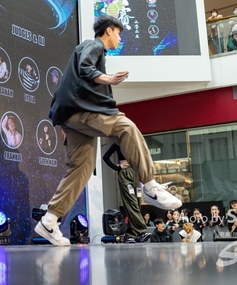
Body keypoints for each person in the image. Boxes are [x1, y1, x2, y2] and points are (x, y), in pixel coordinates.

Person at [34, 16, 181, 246]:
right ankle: (151, 187)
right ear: (109, 31)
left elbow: (72, 83)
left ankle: (49, 220)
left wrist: (64, 121)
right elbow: (85, 69)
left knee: (80, 169)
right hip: (80, 112)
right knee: (126, 127)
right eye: (118, 33)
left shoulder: (90, 52)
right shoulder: (93, 46)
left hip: (72, 116)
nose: (120, 38)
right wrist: (110, 79)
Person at [102, 142, 152, 243]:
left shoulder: (135, 142)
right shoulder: (117, 143)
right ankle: (142, 231)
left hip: (136, 174)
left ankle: (131, 234)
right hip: (125, 174)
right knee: (131, 202)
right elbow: (105, 157)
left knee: (137, 203)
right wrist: (118, 167)